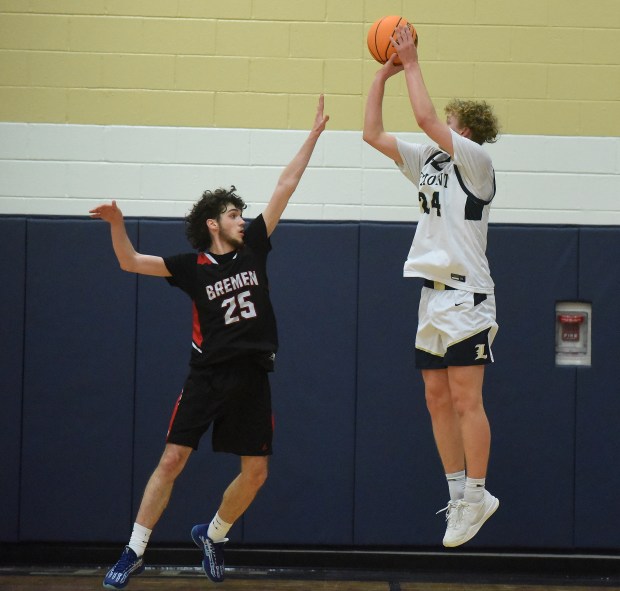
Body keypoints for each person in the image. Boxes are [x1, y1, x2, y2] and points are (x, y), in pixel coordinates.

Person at [90, 95, 329, 589]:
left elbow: (286, 185)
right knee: (172, 460)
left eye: (243, 213)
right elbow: (130, 262)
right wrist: (117, 224)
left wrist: (314, 136)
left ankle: (213, 535)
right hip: (208, 375)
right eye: (234, 214)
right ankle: (134, 550)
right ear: (213, 224)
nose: (243, 219)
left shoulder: (255, 247)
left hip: (252, 375)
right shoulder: (189, 267)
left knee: (257, 473)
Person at [363, 26, 500, 548]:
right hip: (433, 295)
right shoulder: (430, 161)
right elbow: (372, 133)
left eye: (451, 119)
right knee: (435, 398)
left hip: (469, 298)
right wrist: (384, 73)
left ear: (467, 130)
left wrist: (413, 61)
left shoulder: (478, 164)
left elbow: (421, 116)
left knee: (467, 400)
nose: (441, 120)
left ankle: (479, 493)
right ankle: (458, 492)